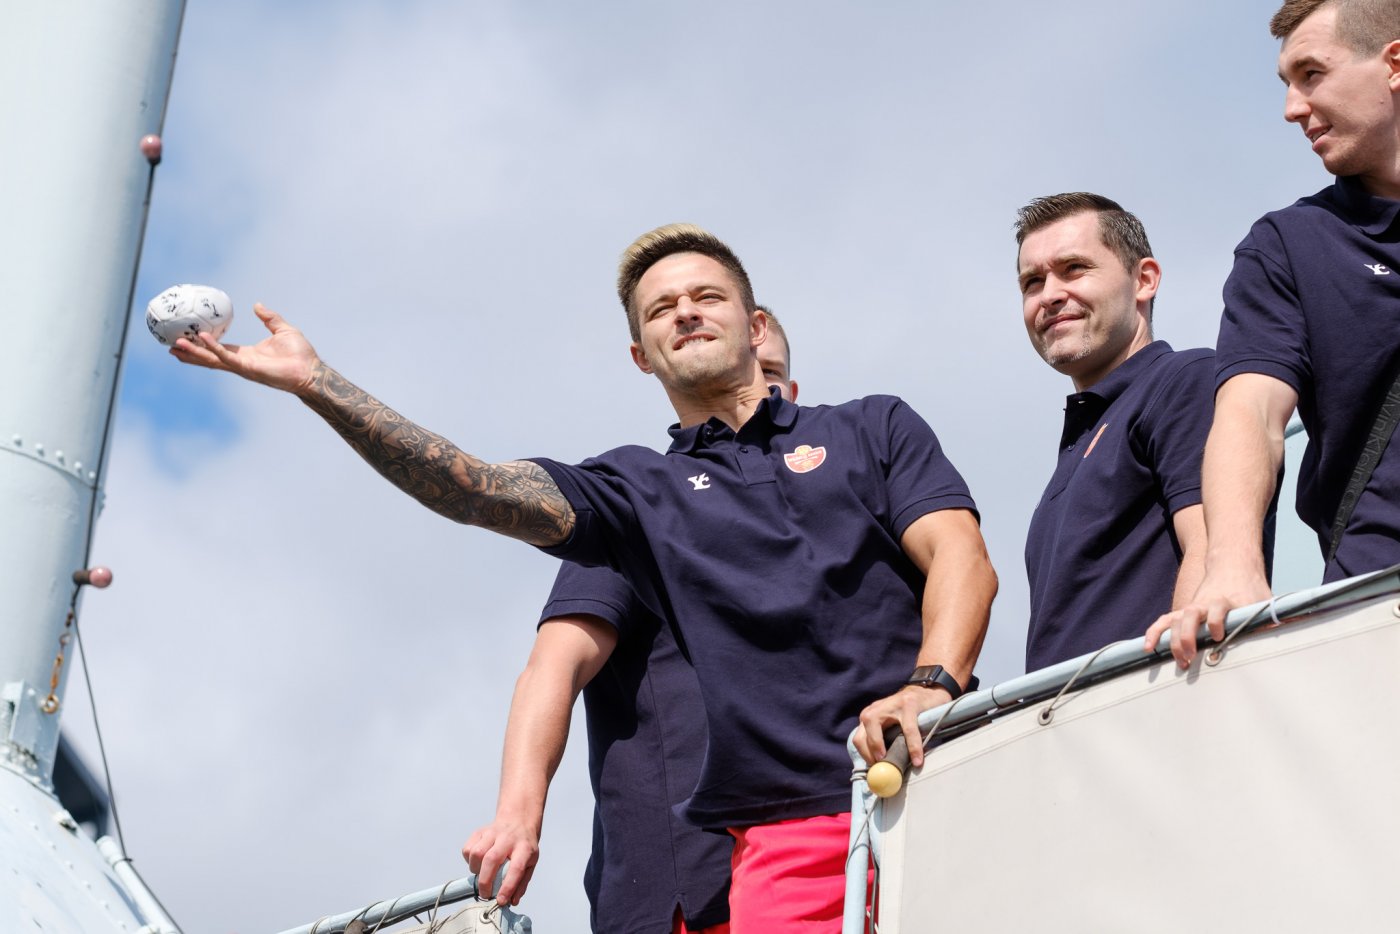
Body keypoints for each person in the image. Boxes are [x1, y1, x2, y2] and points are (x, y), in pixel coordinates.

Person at [169, 224, 997, 931]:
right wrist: (317, 384)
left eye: (706, 295)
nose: (685, 311)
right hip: (783, 834)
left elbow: (961, 557)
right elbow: (475, 490)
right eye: (661, 309)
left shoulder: (873, 426)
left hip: (937, 778)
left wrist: (930, 684)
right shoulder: (636, 490)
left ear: (754, 323)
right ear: (640, 356)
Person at [463, 310, 798, 934]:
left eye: (768, 373)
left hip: (840, 860)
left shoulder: (828, 514)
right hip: (693, 889)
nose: (751, 390)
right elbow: (554, 667)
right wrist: (517, 814)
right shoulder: (643, 506)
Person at [1147, 0, 1400, 667]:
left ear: (1394, 64)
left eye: (1311, 74)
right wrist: (1232, 567)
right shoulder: (1287, 246)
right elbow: (1252, 410)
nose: (1291, 108)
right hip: (1378, 610)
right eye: (1287, 83)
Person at [1014, 193, 1214, 672]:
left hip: (1156, 698)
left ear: (1144, 280)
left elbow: (1215, 544)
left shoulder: (1183, 381)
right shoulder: (1083, 440)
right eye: (1032, 282)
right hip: (1066, 712)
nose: (1049, 295)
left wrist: (1185, 678)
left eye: (1074, 269)